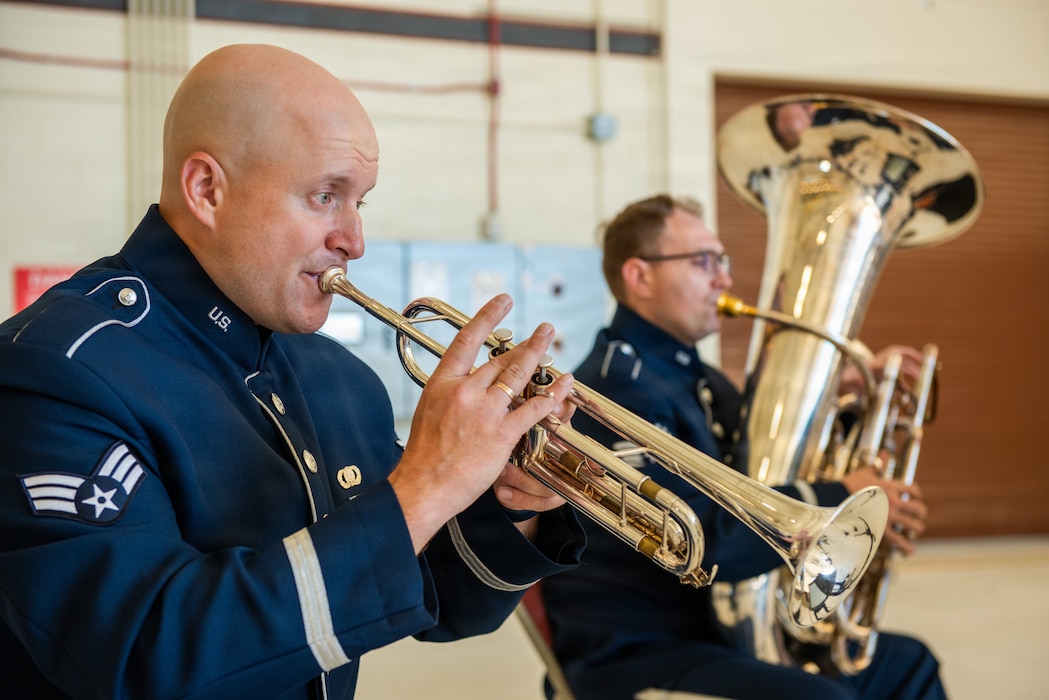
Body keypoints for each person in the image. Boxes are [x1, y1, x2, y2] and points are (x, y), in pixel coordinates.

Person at [0, 44, 586, 700]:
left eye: (359, 201)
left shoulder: (336, 377)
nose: (354, 240)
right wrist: (426, 485)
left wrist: (509, 501)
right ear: (207, 190)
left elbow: (433, 593)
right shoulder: (56, 369)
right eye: (325, 196)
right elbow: (147, 658)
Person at [541, 194, 947, 700]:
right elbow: (692, 536)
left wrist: (850, 390)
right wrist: (841, 495)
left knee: (909, 664)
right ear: (640, 277)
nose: (724, 279)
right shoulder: (609, 392)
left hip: (713, 632)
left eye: (722, 261)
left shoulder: (698, 378)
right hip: (638, 652)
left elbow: (756, 464)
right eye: (703, 261)